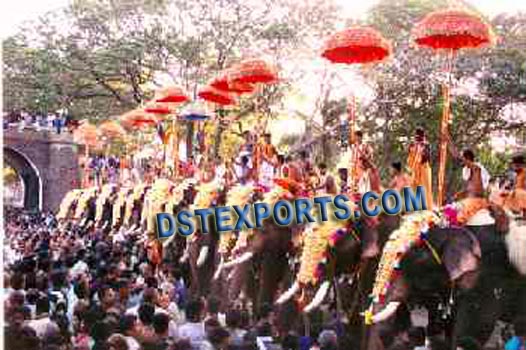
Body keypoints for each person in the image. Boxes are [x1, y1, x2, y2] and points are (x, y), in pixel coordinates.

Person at [407, 128, 434, 209]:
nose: (417, 139)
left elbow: (426, 157)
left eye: (419, 137)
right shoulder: (413, 145)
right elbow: (409, 159)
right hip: (415, 171)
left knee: (425, 190)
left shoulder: (426, 145)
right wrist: (413, 148)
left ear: (423, 136)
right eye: (416, 137)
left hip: (424, 169)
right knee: (412, 189)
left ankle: (427, 210)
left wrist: (422, 149)